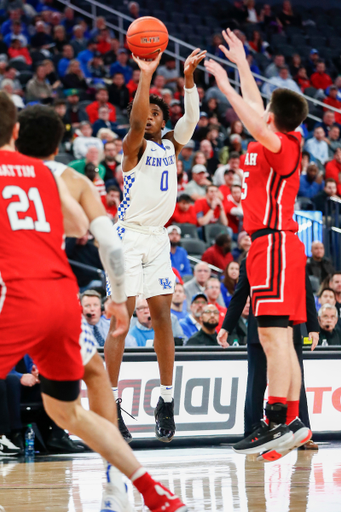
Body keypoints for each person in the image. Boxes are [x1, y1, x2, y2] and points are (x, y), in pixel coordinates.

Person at [14, 101, 186, 511]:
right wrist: (117, 297)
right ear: (59, 145)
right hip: (54, 297)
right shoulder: (70, 178)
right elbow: (95, 235)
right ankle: (135, 485)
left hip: (10, 294)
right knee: (81, 391)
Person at [206, 28, 311, 459]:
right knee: (281, 338)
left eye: (266, 109)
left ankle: (275, 421)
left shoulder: (283, 144)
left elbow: (252, 115)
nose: (259, 109)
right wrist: (242, 62)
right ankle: (291, 423)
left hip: (275, 245)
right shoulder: (277, 133)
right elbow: (256, 108)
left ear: (274, 118)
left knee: (271, 337)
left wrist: (226, 85)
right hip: (276, 246)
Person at [104, 48, 206, 443]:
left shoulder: (169, 146)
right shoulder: (134, 147)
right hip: (126, 237)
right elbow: (135, 118)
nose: (148, 117)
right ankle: (110, 406)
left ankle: (166, 399)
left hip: (158, 239)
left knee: (162, 315)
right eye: (143, 113)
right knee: (121, 323)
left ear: (163, 123)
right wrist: (145, 75)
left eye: (155, 115)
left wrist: (188, 80)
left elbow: (191, 119)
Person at [220, 258, 319, 448]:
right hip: (259, 330)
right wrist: (226, 326)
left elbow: (305, 291)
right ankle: (252, 432)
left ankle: (303, 433)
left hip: (290, 328)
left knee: (296, 382)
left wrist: (313, 326)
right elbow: (240, 295)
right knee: (255, 383)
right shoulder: (250, 259)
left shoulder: (291, 254)